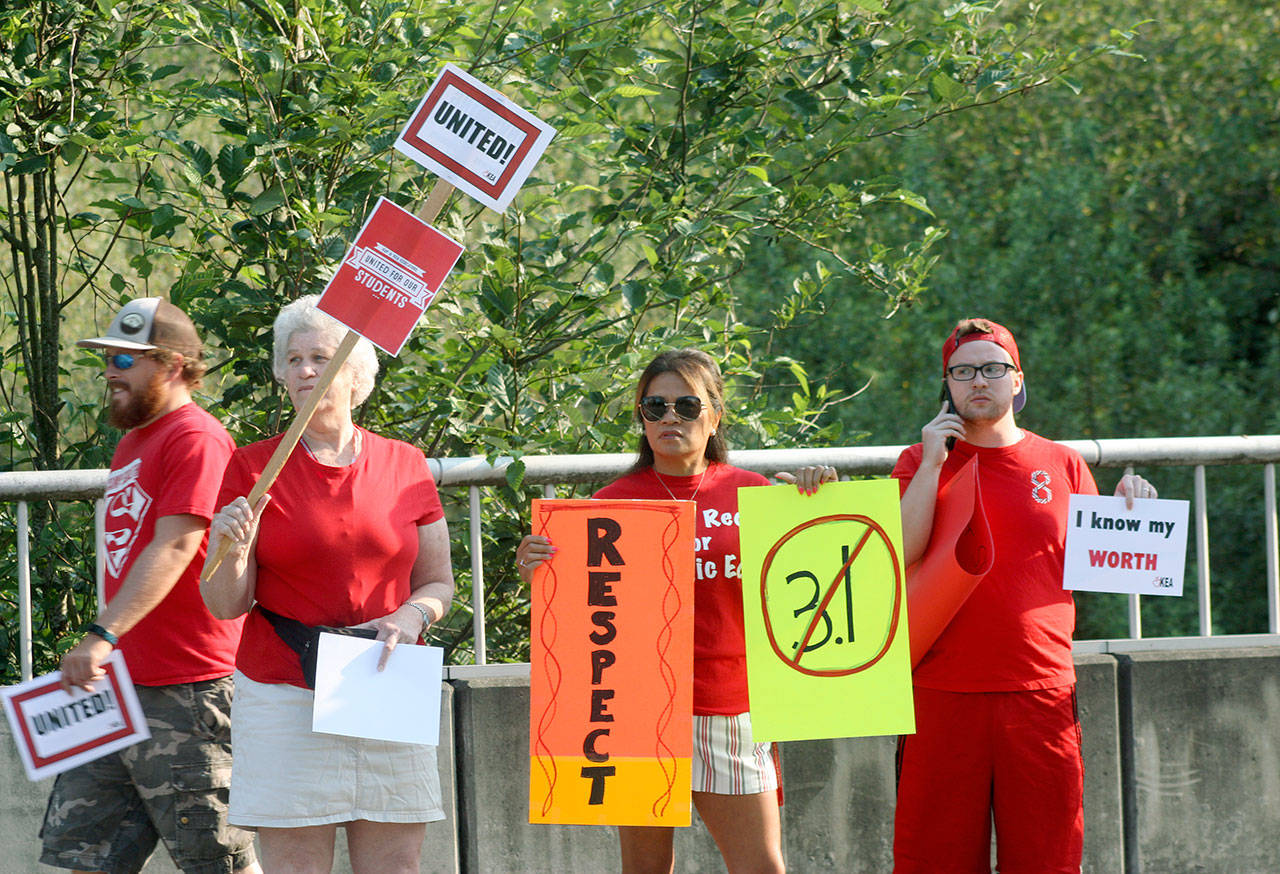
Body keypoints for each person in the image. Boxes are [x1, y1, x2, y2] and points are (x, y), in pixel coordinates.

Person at [796, 318, 1157, 873]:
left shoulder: (1062, 463)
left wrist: (1133, 508)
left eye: (993, 368)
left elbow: (1103, 569)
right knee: (933, 860)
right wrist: (935, 460)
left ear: (1017, 380)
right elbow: (901, 552)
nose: (978, 381)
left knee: (1047, 857)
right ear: (948, 386)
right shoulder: (919, 462)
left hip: (1040, 692)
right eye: (963, 373)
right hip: (940, 692)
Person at [201, 295, 454, 874]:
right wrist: (229, 548)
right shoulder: (250, 468)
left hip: (385, 677)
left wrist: (412, 617)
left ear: (358, 375)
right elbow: (224, 604)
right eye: (293, 359)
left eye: (321, 356)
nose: (305, 371)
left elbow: (439, 582)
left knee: (394, 866)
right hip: (285, 687)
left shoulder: (406, 463)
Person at [517, 349, 787, 874]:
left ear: (715, 414)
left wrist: (820, 503)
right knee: (645, 869)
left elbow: (811, 585)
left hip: (728, 706)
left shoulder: (757, 495)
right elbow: (581, 624)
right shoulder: (608, 504)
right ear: (641, 417)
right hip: (630, 711)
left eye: (687, 406)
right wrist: (542, 577)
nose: (669, 418)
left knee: (761, 866)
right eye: (654, 406)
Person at [41, 297, 259, 874]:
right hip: (118, 688)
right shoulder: (134, 440)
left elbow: (178, 544)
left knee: (220, 863)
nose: (110, 371)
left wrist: (100, 634)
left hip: (186, 690)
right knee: (82, 860)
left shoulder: (197, 438)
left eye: (123, 359)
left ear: (170, 365)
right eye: (107, 359)